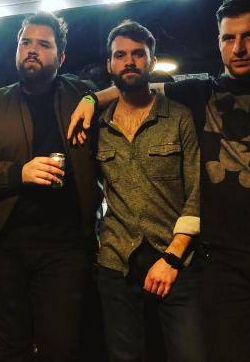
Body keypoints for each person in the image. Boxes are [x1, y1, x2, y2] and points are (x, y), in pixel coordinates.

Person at [68, 0, 250, 362]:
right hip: (225, 259)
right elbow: (134, 85)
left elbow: (194, 183)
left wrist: (175, 255)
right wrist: (91, 99)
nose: (238, 48)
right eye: (228, 38)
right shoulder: (203, 91)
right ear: (219, 42)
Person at [0, 11, 100, 362]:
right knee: (7, 351)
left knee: (61, 350)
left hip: (66, 250)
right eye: (25, 42)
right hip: (4, 247)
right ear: (16, 50)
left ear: (61, 57)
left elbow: (126, 91)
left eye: (43, 44)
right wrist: (18, 173)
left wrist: (94, 99)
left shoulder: (81, 94)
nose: (32, 50)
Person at [95, 20, 204, 362]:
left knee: (190, 355)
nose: (129, 61)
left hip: (177, 262)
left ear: (152, 62)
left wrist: (172, 257)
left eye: (138, 54)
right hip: (116, 264)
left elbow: (198, 191)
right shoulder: (98, 126)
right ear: (109, 65)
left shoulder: (180, 117)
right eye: (120, 55)